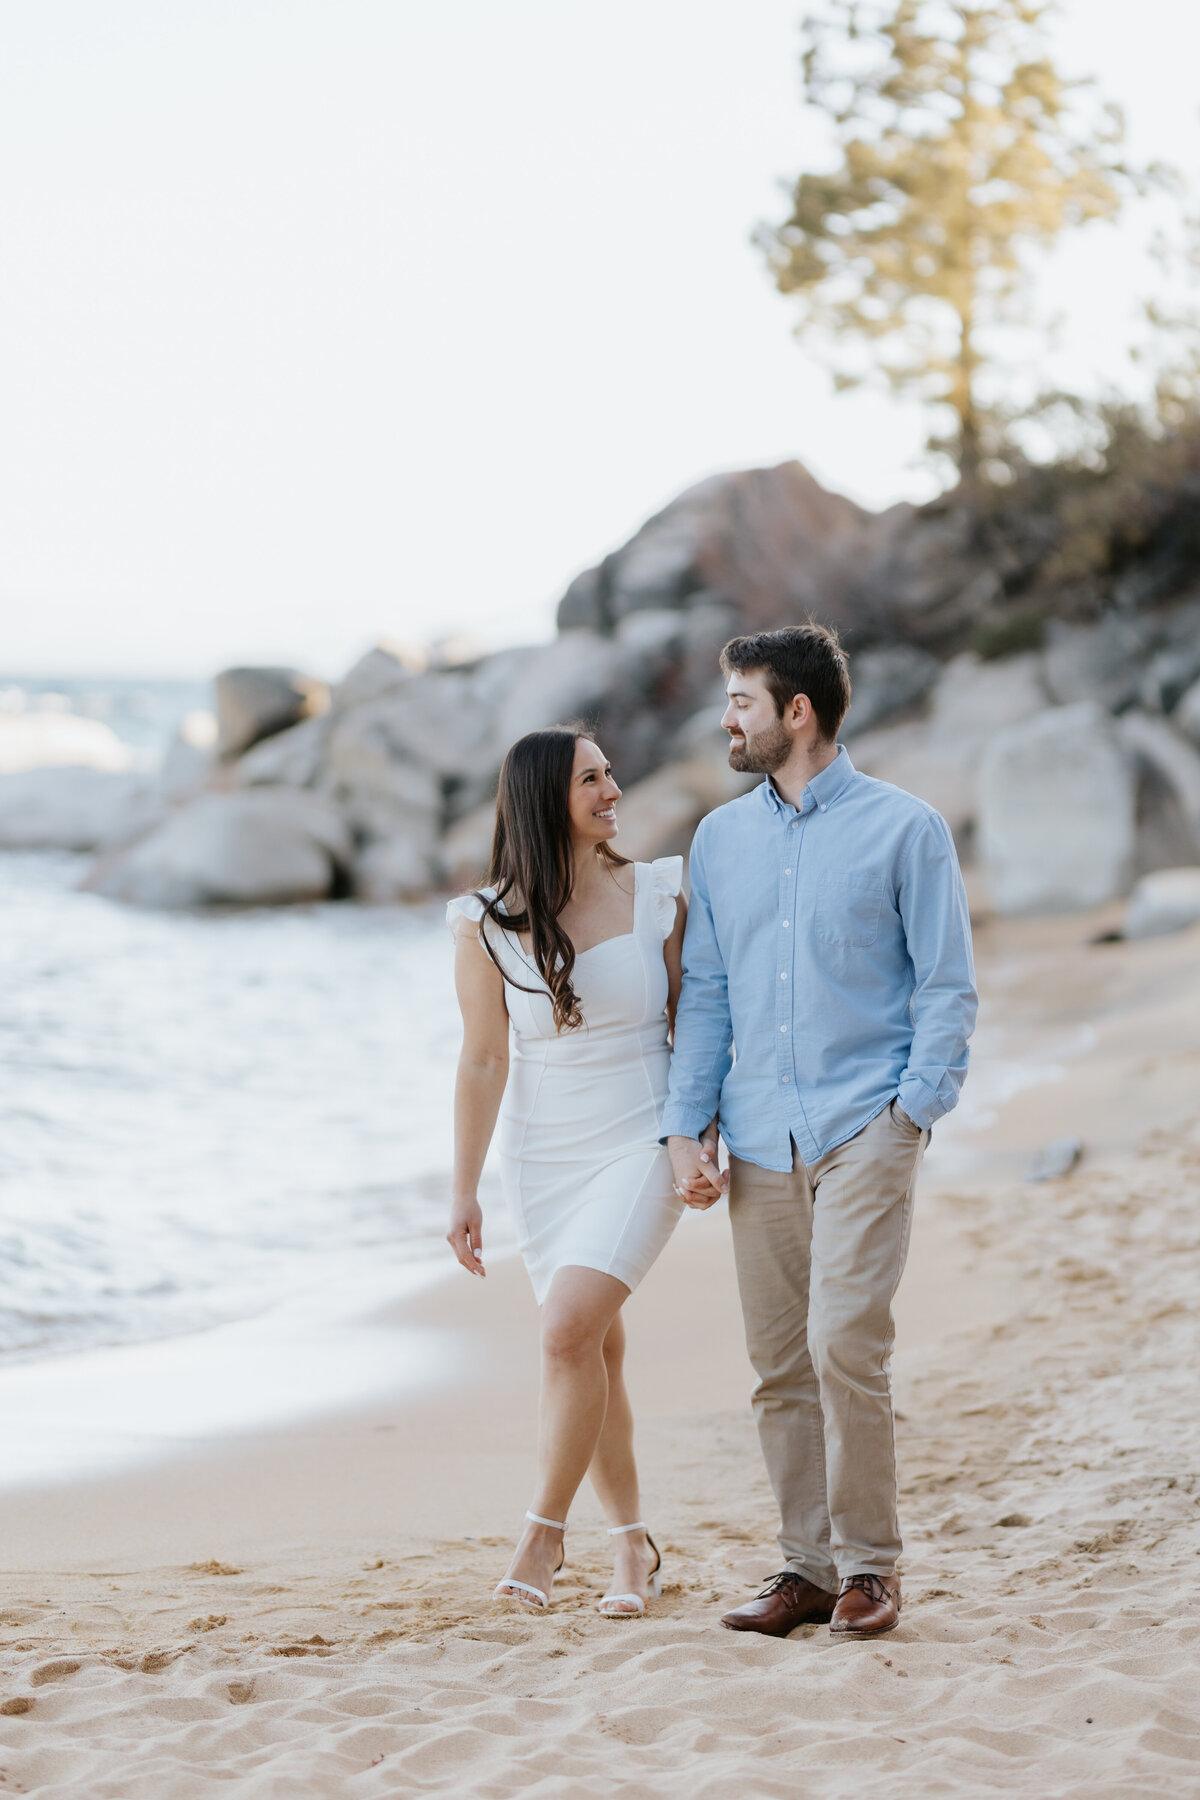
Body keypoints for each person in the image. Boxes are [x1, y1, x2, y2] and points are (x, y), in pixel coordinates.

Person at [661, 624, 978, 1640]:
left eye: (742, 703)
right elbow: (705, 992)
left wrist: (912, 1112)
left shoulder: (906, 828)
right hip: (756, 1135)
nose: (728, 722)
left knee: (845, 1341)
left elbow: (945, 984)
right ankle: (804, 1569)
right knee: (778, 1365)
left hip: (864, 1123)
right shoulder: (721, 839)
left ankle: (871, 1569)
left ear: (798, 712)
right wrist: (686, 1124)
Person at [445, 725, 721, 1616]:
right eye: (589, 781)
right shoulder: (484, 923)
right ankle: (632, 1547)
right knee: (593, 1348)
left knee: (566, 1332)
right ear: (540, 803)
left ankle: (542, 1536)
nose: (612, 791)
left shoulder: (658, 891)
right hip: (544, 1153)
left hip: (644, 1134)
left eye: (610, 773)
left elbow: (694, 1023)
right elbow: (484, 1061)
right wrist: (464, 1190)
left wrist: (695, 1132)